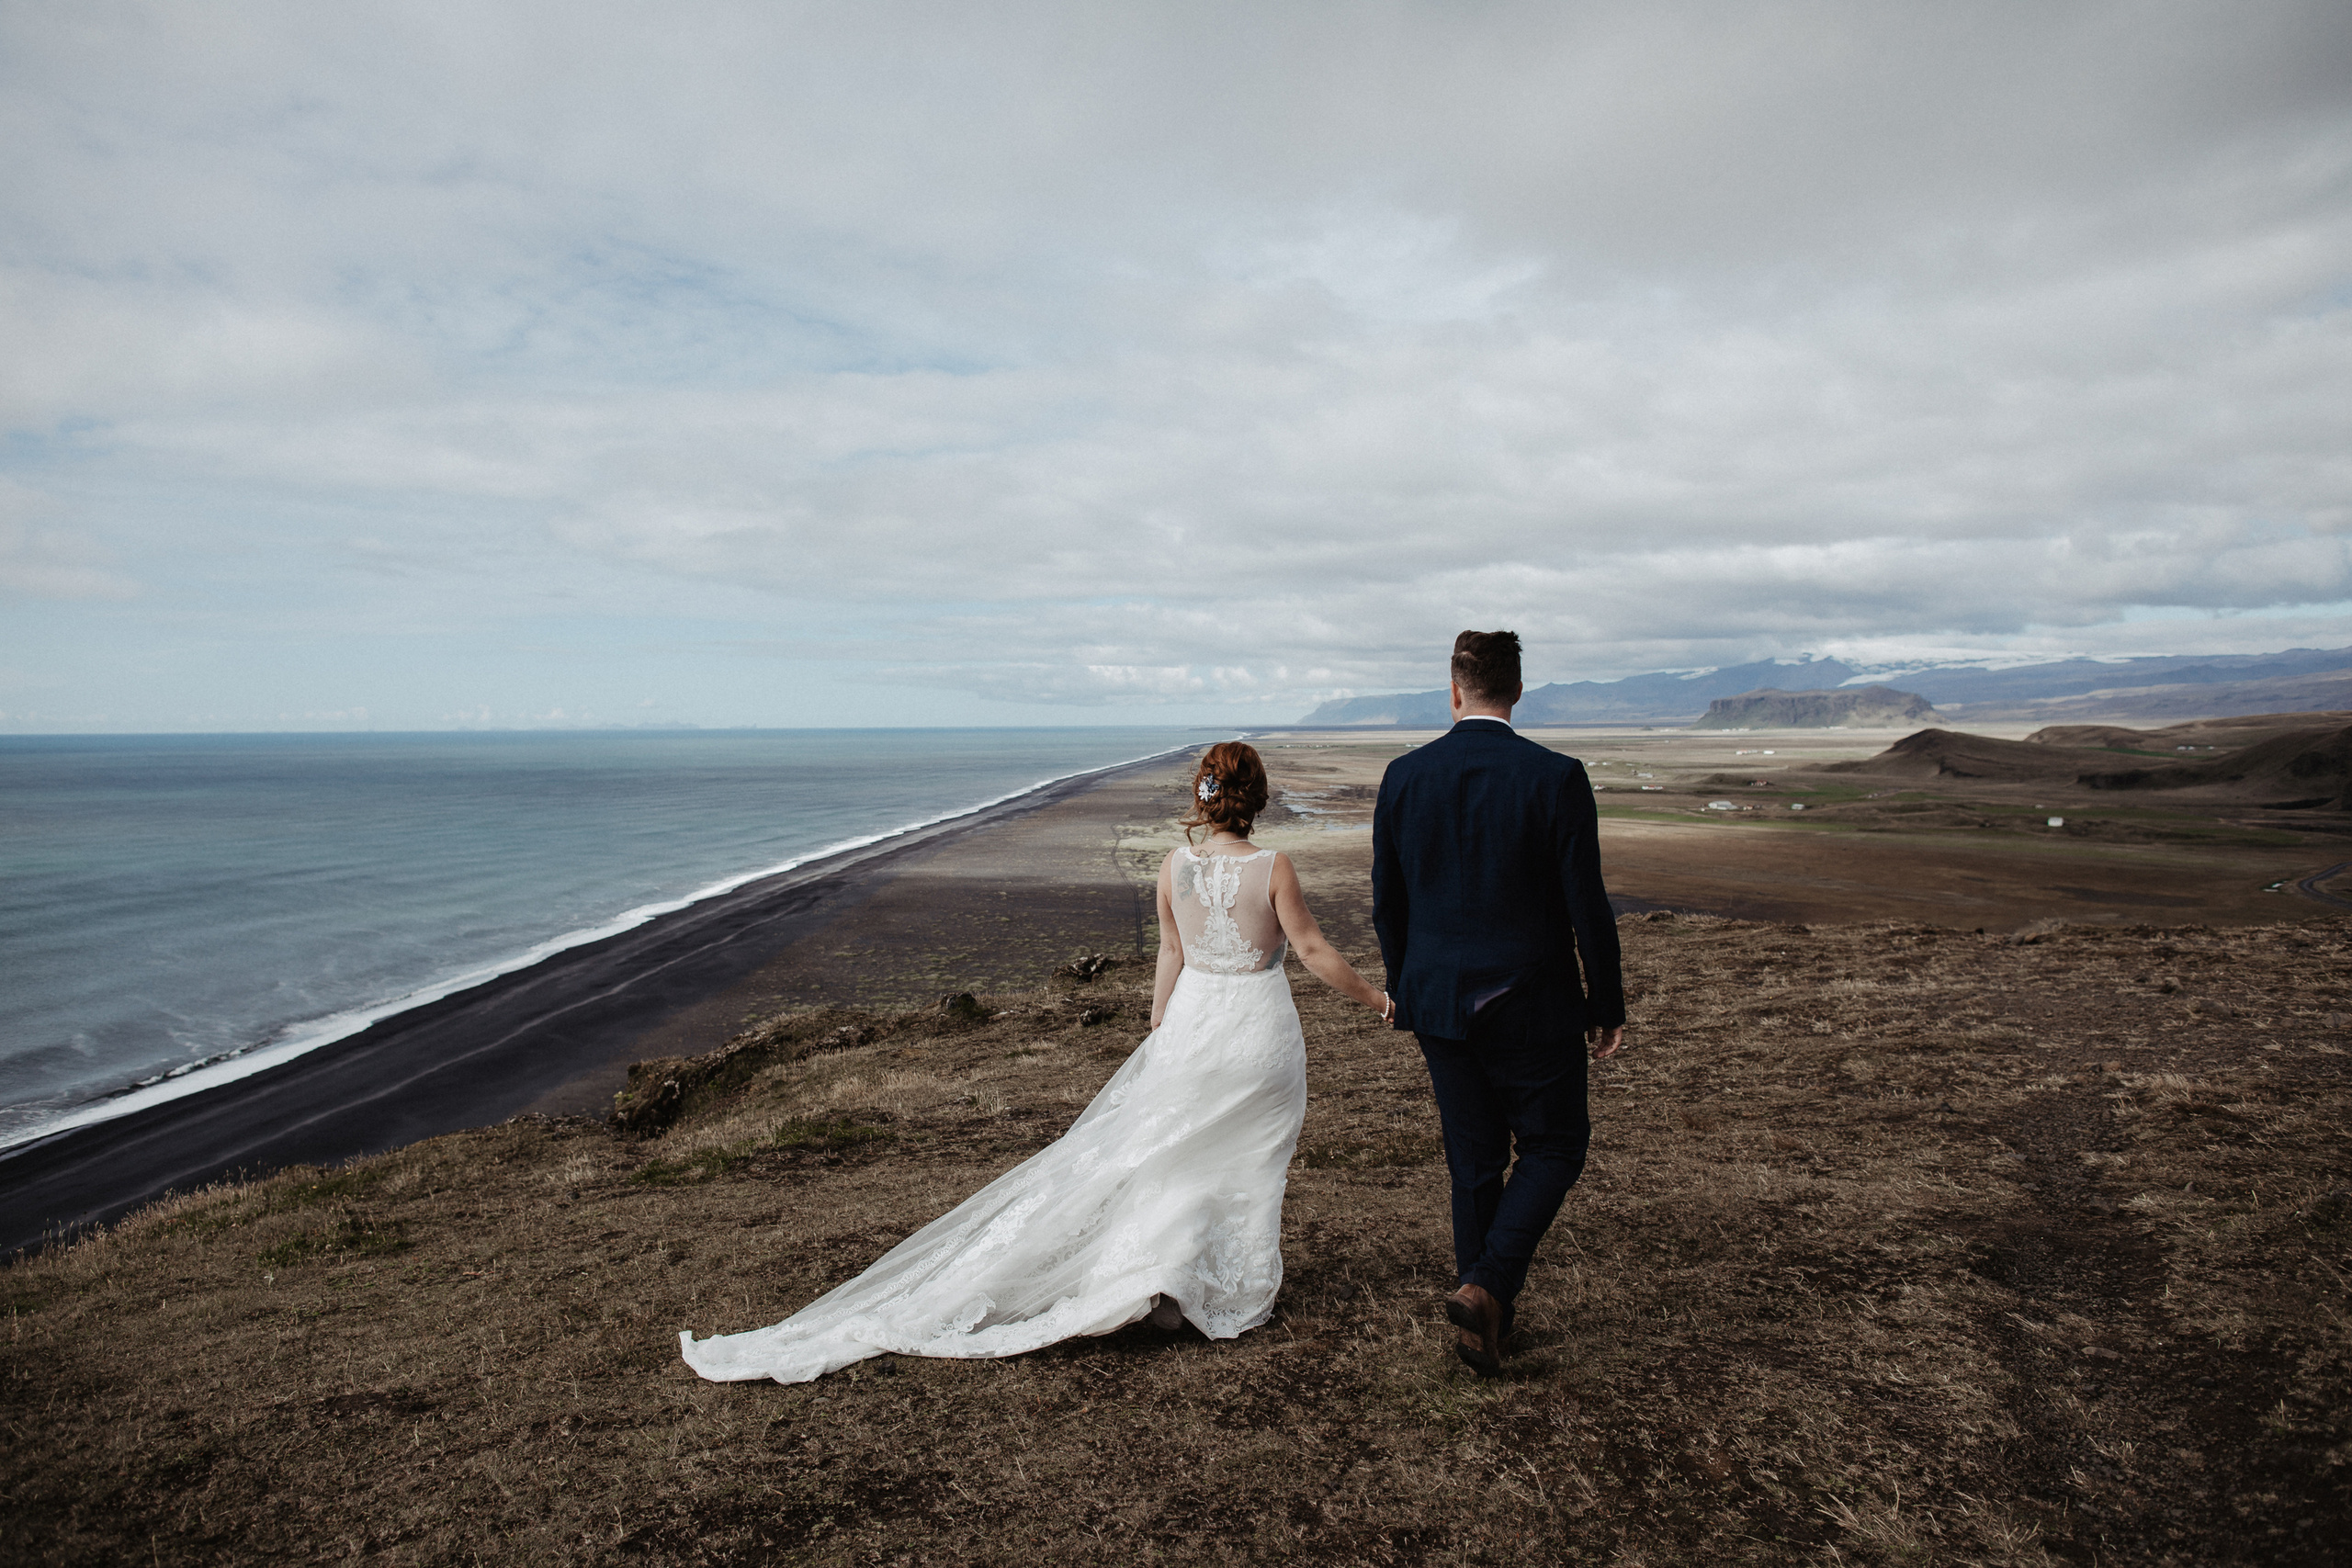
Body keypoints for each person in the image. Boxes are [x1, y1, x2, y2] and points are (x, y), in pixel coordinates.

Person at [679, 739, 1390, 1384]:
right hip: (1255, 1032)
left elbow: (1171, 953)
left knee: (1171, 1157)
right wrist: (1379, 1001)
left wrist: (1159, 1024)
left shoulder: (1175, 866)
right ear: (1258, 798)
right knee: (1242, 1160)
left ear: (1206, 795)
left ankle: (1169, 1279)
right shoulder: (1273, 867)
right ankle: (1208, 1285)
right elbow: (1314, 951)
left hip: (1196, 1023)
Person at [1372, 630, 1626, 1378]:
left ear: (1455, 691)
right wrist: (1604, 1001)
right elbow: (1588, 904)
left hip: (1439, 1004)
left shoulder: (1404, 776)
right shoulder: (1556, 777)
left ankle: (1485, 1317)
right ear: (1516, 691)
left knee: (1474, 1160)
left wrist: (1404, 983)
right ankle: (1486, 1291)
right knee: (1554, 1146)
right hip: (1532, 1002)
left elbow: (1389, 901)